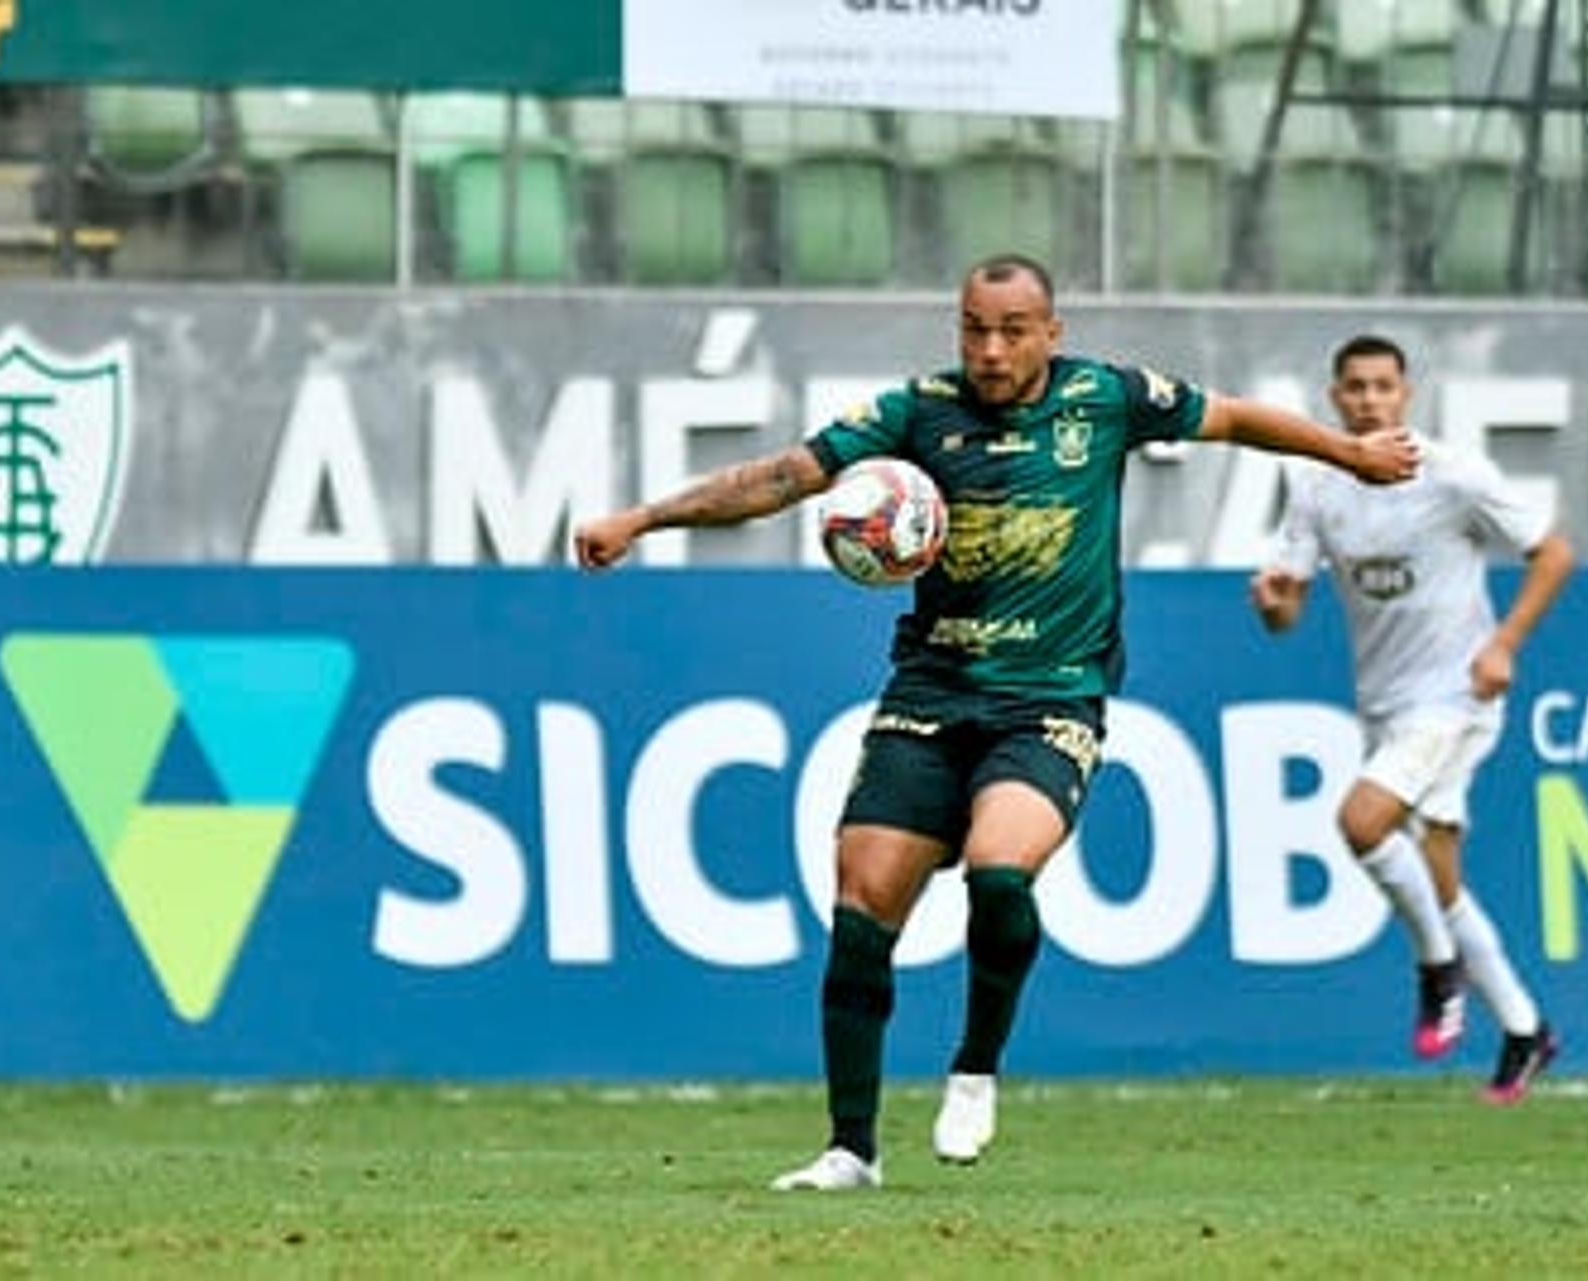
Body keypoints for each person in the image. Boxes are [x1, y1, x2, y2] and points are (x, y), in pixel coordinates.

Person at [575, 255, 1419, 1190]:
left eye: (1013, 329)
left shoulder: (1107, 396)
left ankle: (975, 1068)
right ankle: (850, 1148)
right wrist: (644, 517)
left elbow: (1235, 418)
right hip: (931, 693)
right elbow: (785, 475)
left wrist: (1352, 453)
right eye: (975, 327)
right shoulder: (916, 412)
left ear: (1051, 332)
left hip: (1050, 695)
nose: (990, 347)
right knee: (860, 910)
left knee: (1001, 873)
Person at [1249, 333, 1574, 1104]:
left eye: (1383, 386)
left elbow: (1553, 552)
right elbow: (1287, 604)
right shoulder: (1318, 483)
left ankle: (1437, 967)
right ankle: (1526, 1029)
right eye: (1354, 387)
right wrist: (1273, 602)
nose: (1369, 400)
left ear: (1406, 394)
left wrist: (1503, 644)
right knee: (1440, 876)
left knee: (1362, 822)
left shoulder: (1453, 474)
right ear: (1335, 397)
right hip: (1387, 704)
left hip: (1458, 697)